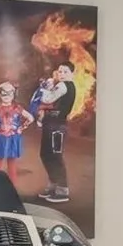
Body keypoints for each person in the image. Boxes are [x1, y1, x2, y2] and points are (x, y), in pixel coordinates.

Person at [31, 62, 76, 203]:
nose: (61, 74)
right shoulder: (60, 85)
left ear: (71, 74)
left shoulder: (64, 85)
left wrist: (44, 89)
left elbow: (47, 99)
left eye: (65, 71)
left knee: (54, 156)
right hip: (50, 124)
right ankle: (53, 186)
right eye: (60, 71)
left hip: (57, 126)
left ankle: (62, 190)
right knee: (46, 154)